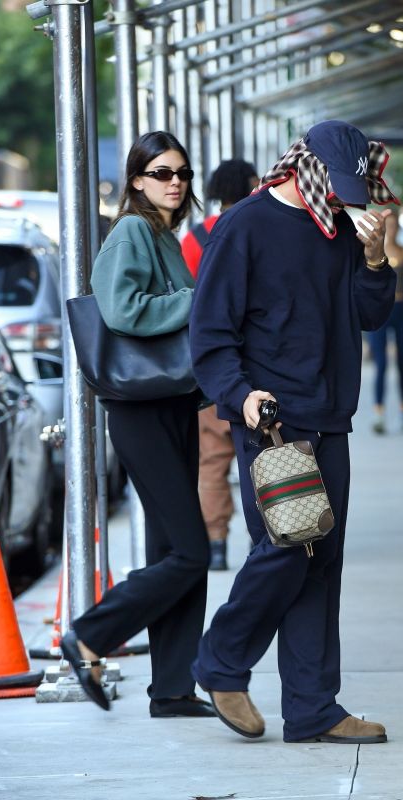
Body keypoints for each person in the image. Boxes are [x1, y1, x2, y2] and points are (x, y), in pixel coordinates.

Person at [189, 120, 398, 744]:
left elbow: (370, 315)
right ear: (302, 165)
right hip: (272, 419)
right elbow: (211, 333)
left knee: (320, 558)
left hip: (332, 415)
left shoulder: (343, 228)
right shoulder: (245, 226)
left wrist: (375, 258)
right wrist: (240, 394)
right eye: (333, 186)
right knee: (289, 547)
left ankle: (312, 709)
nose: (340, 198)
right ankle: (222, 662)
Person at [61, 131, 215, 719]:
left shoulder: (163, 235)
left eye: (181, 173)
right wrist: (197, 300)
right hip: (140, 410)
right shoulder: (131, 231)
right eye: (161, 173)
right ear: (136, 181)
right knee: (191, 552)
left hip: (169, 403)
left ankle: (172, 689)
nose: (175, 182)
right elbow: (122, 309)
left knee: (172, 548)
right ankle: (91, 634)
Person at [181, 160, 259, 570]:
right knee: (261, 454)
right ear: (249, 184)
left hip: (212, 368)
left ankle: (214, 543)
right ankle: (260, 537)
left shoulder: (195, 238)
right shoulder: (261, 227)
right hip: (259, 367)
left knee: (212, 460)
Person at [368, 213, 403, 434]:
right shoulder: (374, 251)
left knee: (402, 364)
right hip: (380, 312)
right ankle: (378, 414)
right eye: (388, 226)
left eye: (394, 226)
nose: (391, 230)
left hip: (401, 308)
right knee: (381, 364)